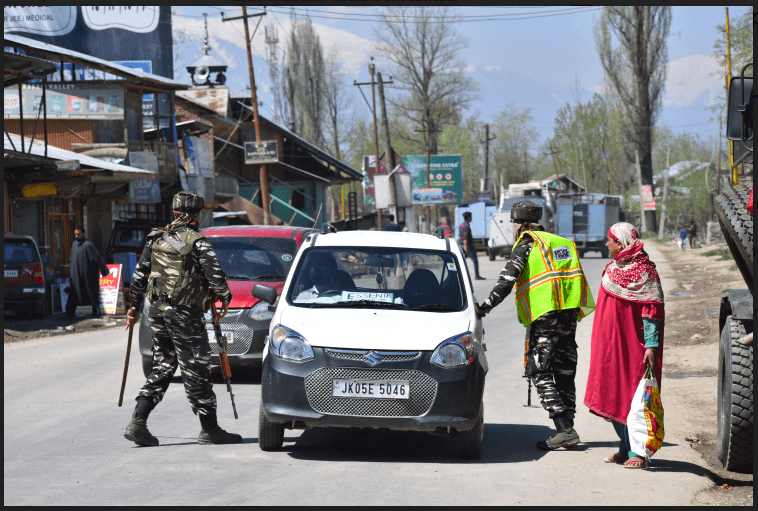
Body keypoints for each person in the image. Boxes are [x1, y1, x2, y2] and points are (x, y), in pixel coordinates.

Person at [123, 191, 240, 447]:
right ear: (196, 215)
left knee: (164, 365)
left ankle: (137, 421)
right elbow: (218, 281)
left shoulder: (155, 239)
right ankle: (209, 429)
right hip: (184, 314)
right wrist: (224, 299)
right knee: (197, 368)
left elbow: (138, 278)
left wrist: (133, 308)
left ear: (174, 212)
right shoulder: (198, 242)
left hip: (156, 311)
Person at [478, 201, 595, 451]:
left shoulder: (527, 244)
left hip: (545, 316)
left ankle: (565, 430)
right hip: (569, 314)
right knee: (565, 373)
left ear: (522, 225)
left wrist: (484, 307)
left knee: (539, 371)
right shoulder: (559, 242)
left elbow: (507, 280)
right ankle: (567, 430)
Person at [584, 222, 664, 469]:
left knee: (634, 397)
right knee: (612, 391)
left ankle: (637, 453)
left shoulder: (645, 272)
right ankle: (623, 447)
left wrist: (651, 346)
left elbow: (651, 311)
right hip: (609, 345)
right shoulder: (611, 269)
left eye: (610, 240)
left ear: (620, 243)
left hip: (634, 347)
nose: (606, 244)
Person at [66, 226, 110, 318]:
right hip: (75, 275)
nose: (76, 236)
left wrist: (104, 271)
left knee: (90, 292)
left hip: (87, 274)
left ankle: (95, 310)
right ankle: (70, 313)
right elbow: (71, 258)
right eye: (75, 234)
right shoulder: (74, 244)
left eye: (78, 234)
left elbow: (97, 258)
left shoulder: (88, 245)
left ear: (83, 234)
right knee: (74, 293)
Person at [459, 211, 485, 280]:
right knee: (475, 260)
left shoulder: (461, 225)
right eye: (471, 217)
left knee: (461, 261)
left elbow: (461, 237)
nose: (471, 218)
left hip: (462, 245)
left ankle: (460, 276)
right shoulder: (466, 226)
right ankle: (477, 275)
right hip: (468, 246)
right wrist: (466, 249)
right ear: (469, 217)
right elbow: (465, 238)